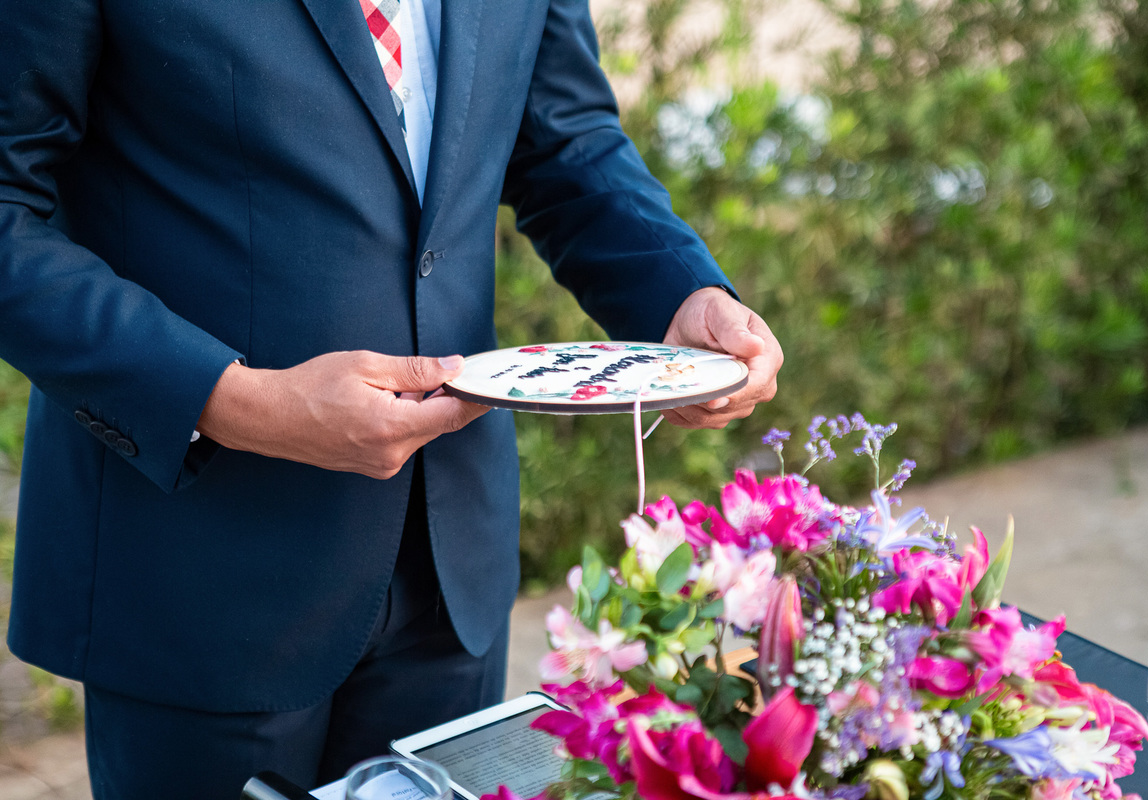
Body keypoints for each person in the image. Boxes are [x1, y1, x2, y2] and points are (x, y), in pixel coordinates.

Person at [0, 0, 784, 798]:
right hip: (194, 575)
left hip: (449, 570)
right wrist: (233, 400)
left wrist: (679, 296)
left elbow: (565, 145)